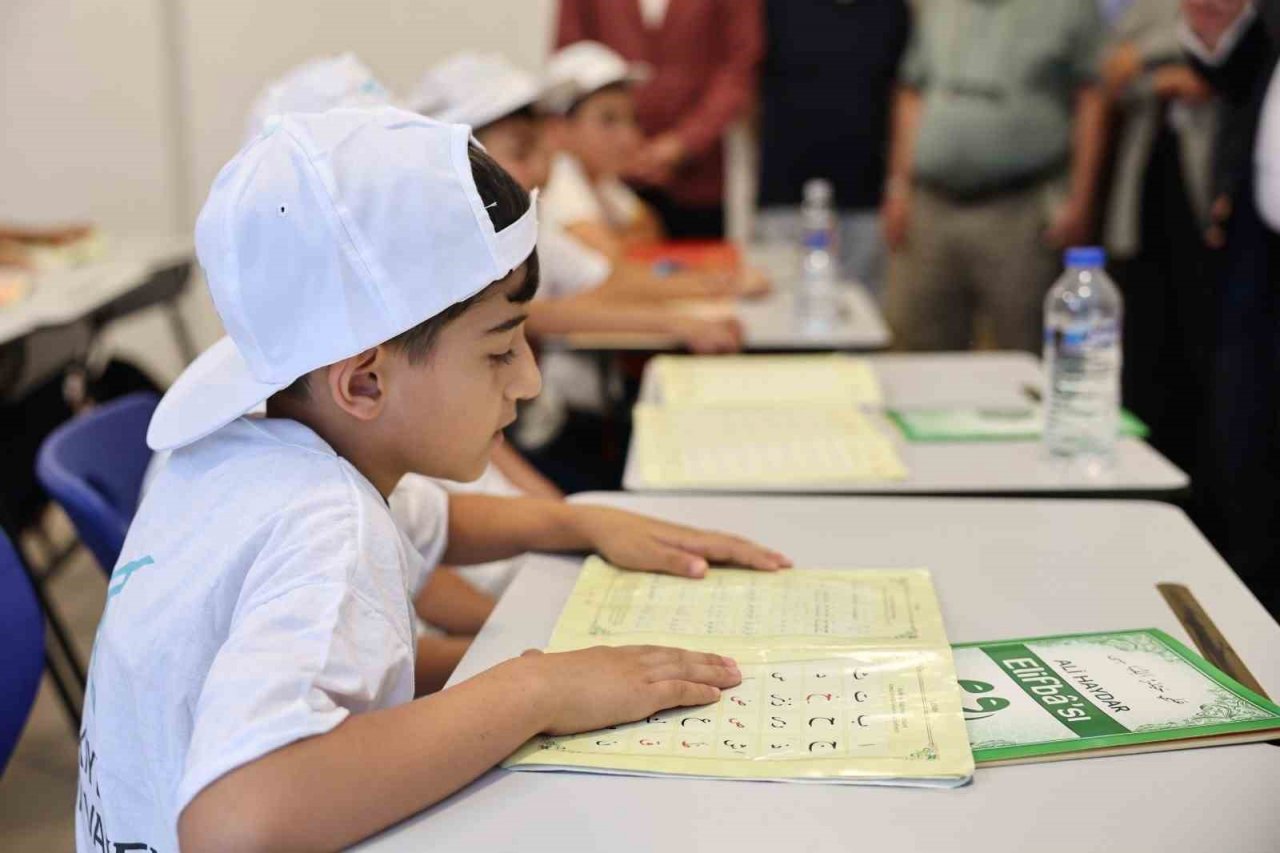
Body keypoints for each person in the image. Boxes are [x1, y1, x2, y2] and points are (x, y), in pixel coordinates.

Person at [76, 109, 791, 852]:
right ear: (364, 383)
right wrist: (534, 689)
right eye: (500, 350)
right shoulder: (327, 522)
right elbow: (234, 822)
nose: (529, 379)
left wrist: (581, 523)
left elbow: (439, 523)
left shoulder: (255, 448)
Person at [882, 0, 1109, 353]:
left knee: (1022, 350)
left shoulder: (1071, 8)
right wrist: (899, 188)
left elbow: (1093, 98)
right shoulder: (937, 6)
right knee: (916, 350)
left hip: (1020, 210)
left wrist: (1080, 201)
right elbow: (912, 92)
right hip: (930, 208)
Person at [1180, 0, 1280, 615]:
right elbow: (1238, 76)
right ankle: (1251, 615)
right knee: (1242, 434)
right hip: (1257, 248)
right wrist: (1213, 26)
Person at [1099, 0, 1217, 478]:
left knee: (1203, 362)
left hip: (1209, 201)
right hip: (1146, 198)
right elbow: (1112, 73)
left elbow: (1230, 64)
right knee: (1144, 357)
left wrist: (1149, 63)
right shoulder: (1145, 7)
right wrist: (1164, 71)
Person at [555, 0, 764, 239]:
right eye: (609, 120)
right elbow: (610, 265)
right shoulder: (563, 187)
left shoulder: (605, 188)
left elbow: (740, 67)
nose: (628, 135)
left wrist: (682, 143)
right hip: (624, 175)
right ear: (558, 128)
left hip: (697, 179)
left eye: (630, 119)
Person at [755, 0, 911, 296]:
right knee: (781, 313)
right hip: (784, 197)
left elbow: (904, 98)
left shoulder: (891, 10)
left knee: (859, 320)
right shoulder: (773, 7)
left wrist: (899, 187)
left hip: (865, 201)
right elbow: (747, 91)